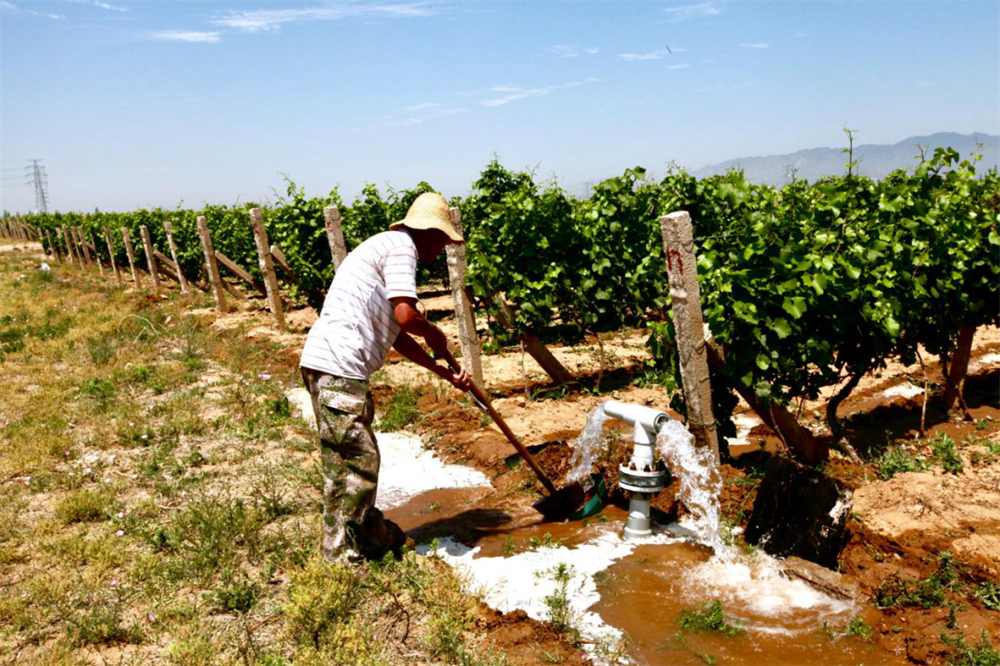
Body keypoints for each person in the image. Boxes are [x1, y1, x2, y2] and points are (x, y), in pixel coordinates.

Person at [300, 192, 472, 564]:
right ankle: (344, 559)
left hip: (326, 362)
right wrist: (435, 333)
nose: (442, 247)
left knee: (344, 464)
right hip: (339, 364)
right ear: (427, 231)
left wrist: (442, 370)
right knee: (359, 462)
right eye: (442, 239)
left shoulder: (386, 246)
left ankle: (366, 537)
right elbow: (407, 319)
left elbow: (397, 336)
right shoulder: (401, 248)